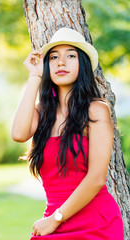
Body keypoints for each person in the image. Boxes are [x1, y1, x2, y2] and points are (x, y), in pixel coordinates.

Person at [11, 28, 124, 239]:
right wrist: (35, 76)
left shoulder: (96, 110)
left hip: (95, 222)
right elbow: (18, 134)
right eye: (54, 57)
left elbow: (97, 178)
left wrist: (55, 219)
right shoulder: (41, 113)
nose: (61, 62)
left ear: (82, 65)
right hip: (53, 218)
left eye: (71, 55)